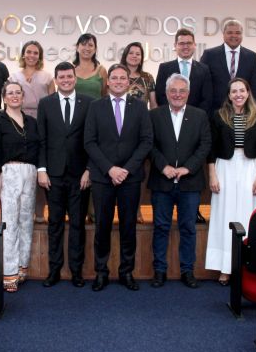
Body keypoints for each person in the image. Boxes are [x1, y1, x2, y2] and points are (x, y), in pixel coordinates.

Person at [84, 63, 153, 292]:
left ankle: (126, 272)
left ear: (128, 82)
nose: (119, 81)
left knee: (128, 227)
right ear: (108, 82)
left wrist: (126, 169)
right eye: (114, 78)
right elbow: (89, 142)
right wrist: (110, 169)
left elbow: (146, 141)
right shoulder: (95, 107)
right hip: (103, 178)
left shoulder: (140, 107)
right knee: (102, 226)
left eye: (123, 78)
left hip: (130, 178)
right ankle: (101, 272)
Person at [148, 73, 211, 289]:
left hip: (190, 182)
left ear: (188, 93)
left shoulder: (199, 115)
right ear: (166, 93)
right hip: (161, 181)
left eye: (182, 91)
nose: (177, 94)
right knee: (160, 227)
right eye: (173, 91)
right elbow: (149, 144)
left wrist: (188, 167)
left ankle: (187, 271)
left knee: (188, 228)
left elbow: (205, 145)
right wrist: (163, 166)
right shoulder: (154, 115)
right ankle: (159, 271)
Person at [205, 77, 256, 286]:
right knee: (225, 215)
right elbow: (211, 147)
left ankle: (245, 268)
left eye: (242, 90)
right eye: (234, 91)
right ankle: (225, 268)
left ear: (248, 93)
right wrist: (212, 173)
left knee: (247, 215)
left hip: (250, 167)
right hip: (224, 167)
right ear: (229, 96)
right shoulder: (218, 116)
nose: (238, 94)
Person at [37, 62, 92, 288]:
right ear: (56, 80)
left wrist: (89, 169)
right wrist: (41, 170)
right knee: (55, 224)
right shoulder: (45, 103)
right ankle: (54, 270)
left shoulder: (89, 103)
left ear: (75, 78)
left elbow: (92, 140)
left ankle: (76, 271)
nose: (66, 80)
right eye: (62, 77)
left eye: (69, 76)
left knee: (78, 224)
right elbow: (41, 139)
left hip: (80, 176)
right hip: (53, 175)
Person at [0, 81, 39, 293]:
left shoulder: (31, 122)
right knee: (8, 223)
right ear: (4, 97)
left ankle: (21, 268)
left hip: (30, 172)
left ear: (23, 97)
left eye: (18, 93)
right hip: (8, 173)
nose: (15, 96)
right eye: (10, 93)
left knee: (26, 221)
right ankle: (8, 273)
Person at [10, 40, 55, 223]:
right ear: (23, 54)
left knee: (41, 167)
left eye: (36, 53)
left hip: (42, 123)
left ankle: (40, 213)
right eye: (29, 52)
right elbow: (9, 101)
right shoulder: (14, 76)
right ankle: (22, 212)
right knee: (24, 166)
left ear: (40, 56)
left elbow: (53, 104)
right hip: (19, 123)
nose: (32, 55)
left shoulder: (47, 77)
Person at [200, 19, 256, 112]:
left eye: (237, 33)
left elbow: (255, 87)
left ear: (242, 35)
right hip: (216, 112)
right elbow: (203, 86)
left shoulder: (251, 56)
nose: (234, 36)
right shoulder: (210, 55)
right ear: (223, 34)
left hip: (244, 112)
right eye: (230, 33)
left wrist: (253, 110)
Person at [155, 28, 212, 114]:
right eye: (182, 43)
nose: (185, 46)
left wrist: (197, 116)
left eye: (189, 43)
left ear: (194, 45)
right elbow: (160, 96)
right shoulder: (164, 68)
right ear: (175, 45)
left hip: (196, 118)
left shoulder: (204, 69)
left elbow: (207, 98)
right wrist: (174, 113)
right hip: (171, 116)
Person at [73, 33, 108, 100]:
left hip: (96, 107)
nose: (87, 48)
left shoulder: (101, 70)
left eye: (90, 45)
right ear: (77, 48)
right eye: (83, 44)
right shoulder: (70, 69)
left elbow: (105, 95)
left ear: (95, 49)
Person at [122, 41, 156, 108]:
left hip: (143, 114)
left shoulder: (148, 77)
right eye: (131, 53)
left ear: (141, 58)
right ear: (125, 56)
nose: (134, 56)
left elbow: (153, 104)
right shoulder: (118, 77)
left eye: (138, 54)